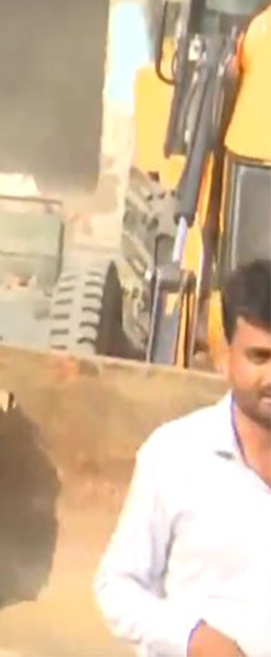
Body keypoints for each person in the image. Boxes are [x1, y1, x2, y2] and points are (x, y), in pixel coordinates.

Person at [94, 258, 271, 657]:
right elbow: (116, 587)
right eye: (259, 357)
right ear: (225, 355)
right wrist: (191, 638)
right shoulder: (175, 457)